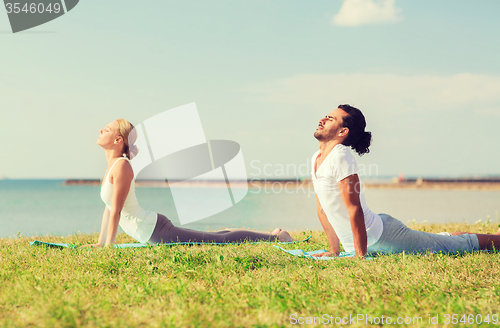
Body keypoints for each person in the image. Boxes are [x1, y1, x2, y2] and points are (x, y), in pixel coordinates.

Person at [311, 104, 500, 258]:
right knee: (440, 240)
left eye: (330, 119)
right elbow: (322, 210)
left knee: (455, 246)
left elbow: (354, 208)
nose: (322, 119)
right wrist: (333, 251)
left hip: (383, 236)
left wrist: (360, 256)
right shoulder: (316, 159)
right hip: (363, 241)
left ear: (343, 131)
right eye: (326, 116)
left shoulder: (341, 156)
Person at [86, 118, 292, 247]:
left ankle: (276, 238)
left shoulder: (122, 166)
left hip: (156, 231)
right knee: (215, 236)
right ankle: (271, 235)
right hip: (152, 230)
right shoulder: (111, 168)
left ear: (118, 140)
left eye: (106, 129)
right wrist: (100, 243)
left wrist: (108, 247)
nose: (100, 131)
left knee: (218, 241)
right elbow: (109, 209)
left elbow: (117, 212)